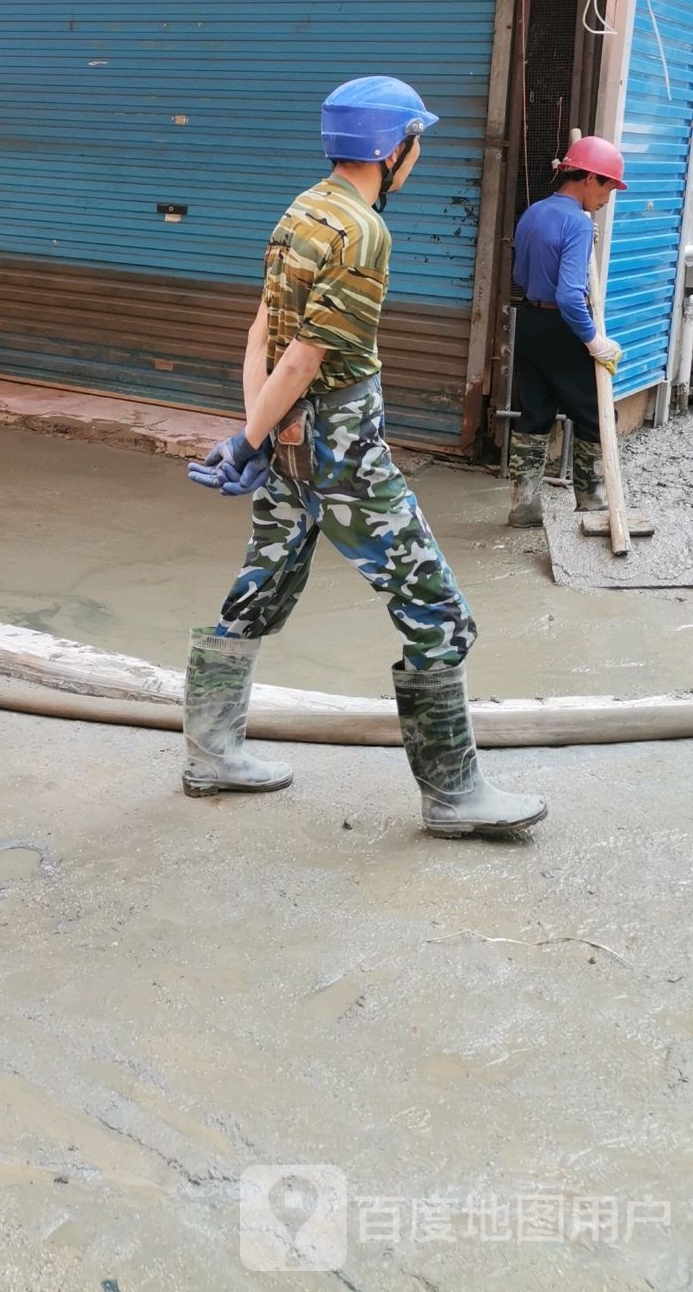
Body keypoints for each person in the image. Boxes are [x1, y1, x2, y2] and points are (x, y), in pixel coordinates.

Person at [184, 76, 546, 839]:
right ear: (394, 149)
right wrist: (253, 436)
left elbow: (262, 333)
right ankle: (453, 795)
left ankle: (211, 753)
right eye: (417, 143)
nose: (418, 156)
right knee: (440, 614)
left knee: (261, 585)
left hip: (291, 441)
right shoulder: (363, 232)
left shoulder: (302, 210)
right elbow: (307, 355)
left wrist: (255, 434)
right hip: (340, 448)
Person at [507, 136, 625, 527]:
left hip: (529, 323)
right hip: (564, 326)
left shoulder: (532, 213)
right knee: (594, 415)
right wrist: (595, 343)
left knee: (534, 413)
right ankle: (591, 505)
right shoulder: (577, 221)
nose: (608, 198)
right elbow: (572, 297)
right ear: (589, 178)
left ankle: (524, 507)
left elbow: (521, 276)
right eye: (608, 187)